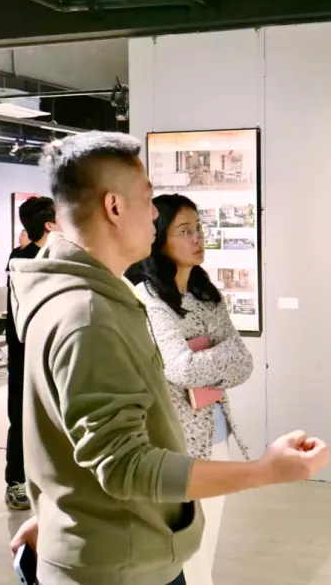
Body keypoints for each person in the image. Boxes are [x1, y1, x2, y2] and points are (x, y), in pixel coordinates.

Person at [7, 131, 330, 585]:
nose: (154, 213)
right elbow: (126, 464)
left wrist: (56, 512)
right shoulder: (89, 314)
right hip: (123, 564)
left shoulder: (74, 295)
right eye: (147, 199)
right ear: (114, 207)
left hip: (114, 545)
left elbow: (71, 437)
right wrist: (266, 470)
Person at [125, 193, 253, 585]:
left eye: (198, 228)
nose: (198, 237)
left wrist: (204, 356)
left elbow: (244, 362)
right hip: (175, 438)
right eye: (185, 230)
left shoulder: (205, 293)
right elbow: (180, 368)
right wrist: (218, 352)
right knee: (185, 540)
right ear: (159, 237)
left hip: (217, 430)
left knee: (209, 536)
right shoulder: (147, 297)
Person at [3, 196, 58, 511]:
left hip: (46, 350)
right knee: (22, 416)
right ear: (49, 224)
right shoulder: (28, 261)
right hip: (27, 352)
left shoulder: (34, 256)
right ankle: (16, 481)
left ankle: (44, 478)